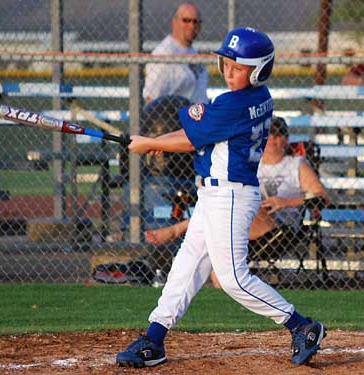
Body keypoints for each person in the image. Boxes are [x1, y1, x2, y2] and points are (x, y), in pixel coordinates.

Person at [116, 27, 326, 368]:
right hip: (214, 194)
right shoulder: (259, 97)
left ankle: (301, 325)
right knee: (185, 267)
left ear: (258, 70)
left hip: (229, 196)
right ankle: (154, 339)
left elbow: (187, 140)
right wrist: (146, 140)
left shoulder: (232, 104)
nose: (229, 71)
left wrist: (149, 143)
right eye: (226, 63)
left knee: (232, 278)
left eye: (238, 67)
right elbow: (192, 133)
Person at [144, 116, 331, 287]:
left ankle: (178, 229)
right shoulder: (249, 163)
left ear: (286, 139)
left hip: (278, 229)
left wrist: (285, 202)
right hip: (238, 223)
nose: (274, 139)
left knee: (244, 196)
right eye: (270, 133)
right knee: (220, 269)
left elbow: (322, 197)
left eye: (280, 134)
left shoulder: (296, 165)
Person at [143, 2, 208, 105]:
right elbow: (151, 100)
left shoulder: (193, 52)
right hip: (175, 118)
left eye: (196, 21)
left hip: (198, 116)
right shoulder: (163, 54)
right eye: (186, 20)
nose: (192, 25)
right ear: (174, 22)